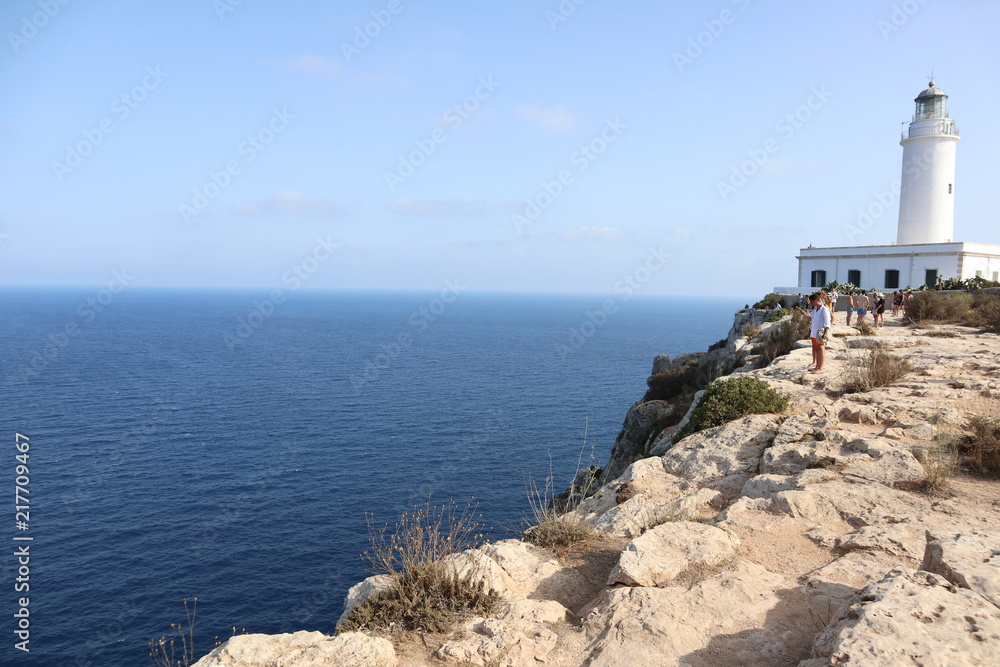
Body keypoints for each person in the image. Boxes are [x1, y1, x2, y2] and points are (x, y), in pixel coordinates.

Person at [808, 291, 831, 373]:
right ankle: (817, 366)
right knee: (817, 349)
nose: (810, 303)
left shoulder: (824, 309)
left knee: (821, 349)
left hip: (820, 332)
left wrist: (826, 332)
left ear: (815, 301)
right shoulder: (815, 309)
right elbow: (813, 320)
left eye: (811, 301)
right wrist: (810, 330)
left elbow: (827, 321)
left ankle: (820, 368)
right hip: (814, 332)